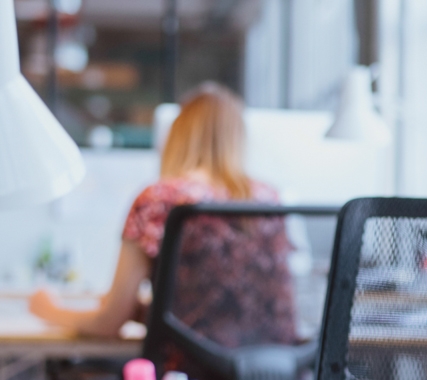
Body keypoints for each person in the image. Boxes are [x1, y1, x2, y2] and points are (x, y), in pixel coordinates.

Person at [29, 83, 296, 354]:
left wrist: (47, 309)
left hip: (187, 371)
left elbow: (109, 322)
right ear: (239, 139)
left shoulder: (159, 199)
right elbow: (230, 313)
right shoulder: (269, 198)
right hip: (276, 370)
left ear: (178, 136)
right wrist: (149, 312)